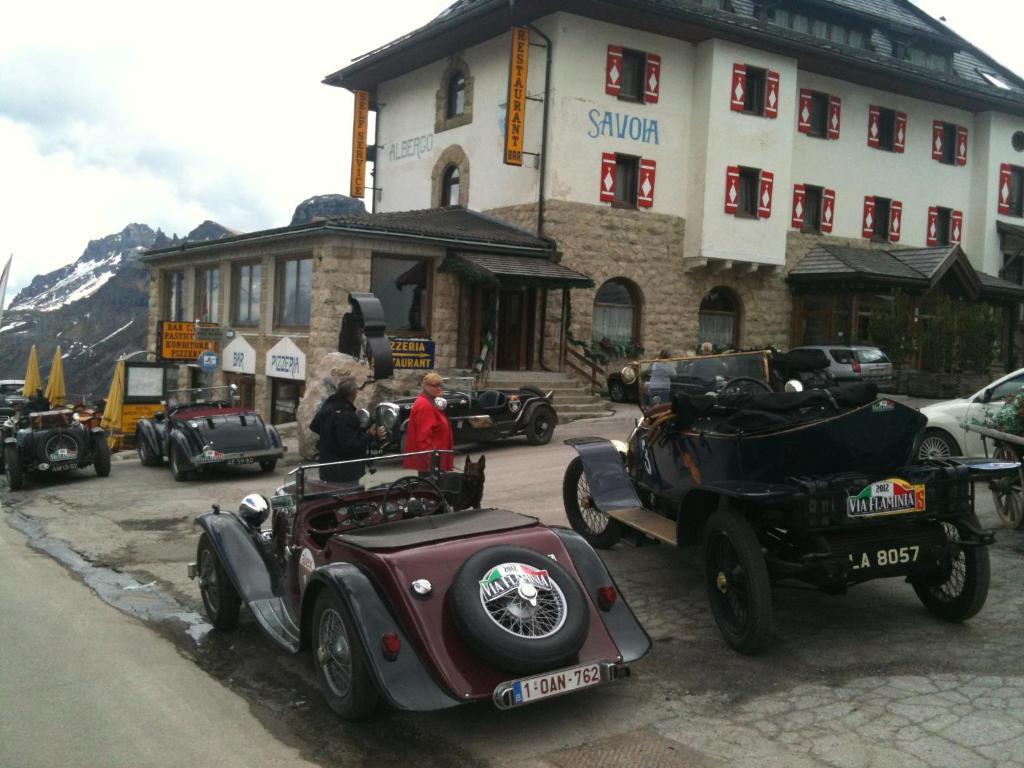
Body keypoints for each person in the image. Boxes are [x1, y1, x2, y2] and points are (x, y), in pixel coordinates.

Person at [313, 376, 380, 485]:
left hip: (327, 467)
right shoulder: (345, 414)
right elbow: (350, 444)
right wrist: (369, 435)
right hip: (344, 472)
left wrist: (329, 436)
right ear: (353, 393)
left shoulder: (328, 405)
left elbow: (315, 426)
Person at [403, 372, 454, 473]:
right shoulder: (424, 405)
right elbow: (423, 438)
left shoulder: (429, 402)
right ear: (425, 386)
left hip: (435, 459)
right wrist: (433, 463)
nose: (439, 388)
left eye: (440, 385)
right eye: (435, 385)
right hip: (431, 464)